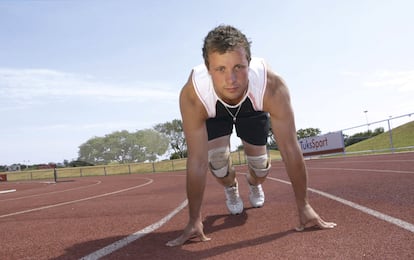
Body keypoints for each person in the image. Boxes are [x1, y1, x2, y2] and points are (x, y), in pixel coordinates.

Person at [166, 25, 336, 247]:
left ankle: (254, 183)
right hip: (215, 112)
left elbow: (290, 148)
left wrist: (304, 206)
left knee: (261, 167)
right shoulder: (193, 94)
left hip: (252, 108)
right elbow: (197, 161)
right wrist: (193, 220)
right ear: (208, 68)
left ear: (249, 61)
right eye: (220, 69)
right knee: (216, 164)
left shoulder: (271, 86)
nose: (231, 79)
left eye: (238, 67)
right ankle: (231, 187)